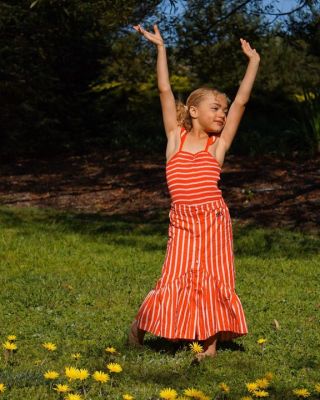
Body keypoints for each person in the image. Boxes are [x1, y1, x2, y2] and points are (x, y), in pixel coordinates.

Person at [129, 23, 260, 361]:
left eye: (223, 110)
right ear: (193, 110)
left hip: (214, 221)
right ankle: (140, 327)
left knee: (214, 278)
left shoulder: (219, 146)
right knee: (175, 275)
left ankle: (210, 344)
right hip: (183, 221)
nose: (222, 113)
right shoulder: (176, 138)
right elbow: (163, 90)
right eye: (216, 108)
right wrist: (160, 49)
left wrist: (253, 63)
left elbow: (243, 101)